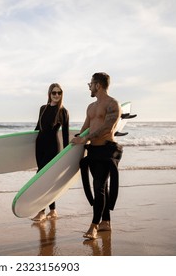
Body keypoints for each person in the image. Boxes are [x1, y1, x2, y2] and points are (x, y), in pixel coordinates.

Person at [71, 72, 123, 239]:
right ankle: (106, 222)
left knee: (99, 186)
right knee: (102, 187)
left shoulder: (113, 104)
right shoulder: (91, 107)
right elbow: (86, 128)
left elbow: (107, 128)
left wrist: (86, 138)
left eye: (90, 84)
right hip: (93, 150)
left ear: (98, 85)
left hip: (108, 150)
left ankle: (93, 226)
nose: (89, 87)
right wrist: (77, 141)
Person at [32, 83, 69, 222]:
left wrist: (66, 154)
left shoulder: (63, 111)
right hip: (39, 146)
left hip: (53, 148)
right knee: (47, 179)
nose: (57, 95)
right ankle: (53, 211)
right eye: (54, 93)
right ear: (49, 94)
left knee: (41, 178)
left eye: (59, 93)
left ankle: (41, 212)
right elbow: (37, 128)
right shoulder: (43, 108)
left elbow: (65, 135)